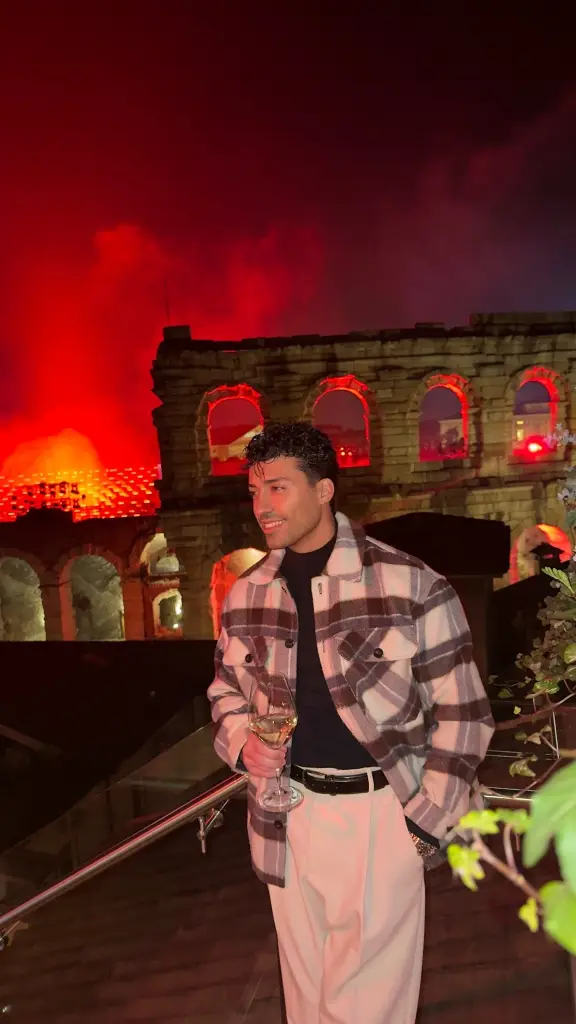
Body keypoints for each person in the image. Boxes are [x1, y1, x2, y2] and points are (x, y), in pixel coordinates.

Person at [208, 422, 495, 1024]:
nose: (262, 507)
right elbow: (225, 691)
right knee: (306, 997)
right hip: (283, 815)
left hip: (380, 815)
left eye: (279, 488)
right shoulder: (246, 594)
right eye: (255, 491)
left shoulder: (410, 584)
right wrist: (241, 743)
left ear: (324, 490)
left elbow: (465, 714)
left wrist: (424, 822)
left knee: (364, 1009)